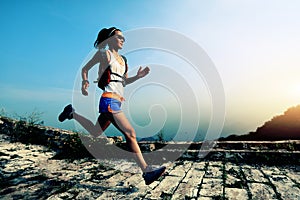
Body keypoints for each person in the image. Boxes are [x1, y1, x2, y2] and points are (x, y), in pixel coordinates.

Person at [58, 27, 165, 185]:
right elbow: (85, 69)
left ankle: (72, 113)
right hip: (108, 100)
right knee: (130, 133)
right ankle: (146, 171)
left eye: (123, 38)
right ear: (109, 39)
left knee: (95, 131)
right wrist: (85, 82)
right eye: (119, 37)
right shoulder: (104, 54)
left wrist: (138, 76)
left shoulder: (124, 61)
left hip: (117, 100)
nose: (122, 40)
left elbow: (124, 82)